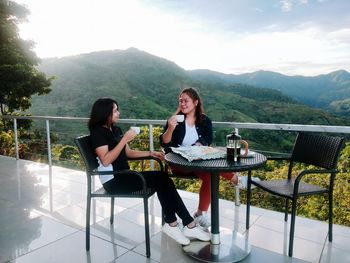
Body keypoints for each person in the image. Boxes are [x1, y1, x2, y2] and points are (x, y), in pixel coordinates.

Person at [88, 97, 210, 246]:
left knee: (162, 178)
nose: (118, 113)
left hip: (125, 175)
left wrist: (151, 153)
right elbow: (106, 160)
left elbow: (129, 153)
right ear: (105, 113)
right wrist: (124, 140)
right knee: (161, 178)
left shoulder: (115, 129)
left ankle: (177, 224)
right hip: (113, 181)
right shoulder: (97, 133)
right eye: (115, 110)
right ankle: (184, 224)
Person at [160, 87, 238, 229]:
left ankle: (200, 213)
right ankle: (235, 179)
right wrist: (170, 128)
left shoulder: (205, 121)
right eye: (180, 101)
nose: (182, 104)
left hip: (197, 161)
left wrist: (199, 144)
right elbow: (164, 142)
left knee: (210, 176)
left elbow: (208, 139)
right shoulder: (174, 120)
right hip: (179, 163)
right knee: (210, 170)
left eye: (186, 101)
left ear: (195, 102)